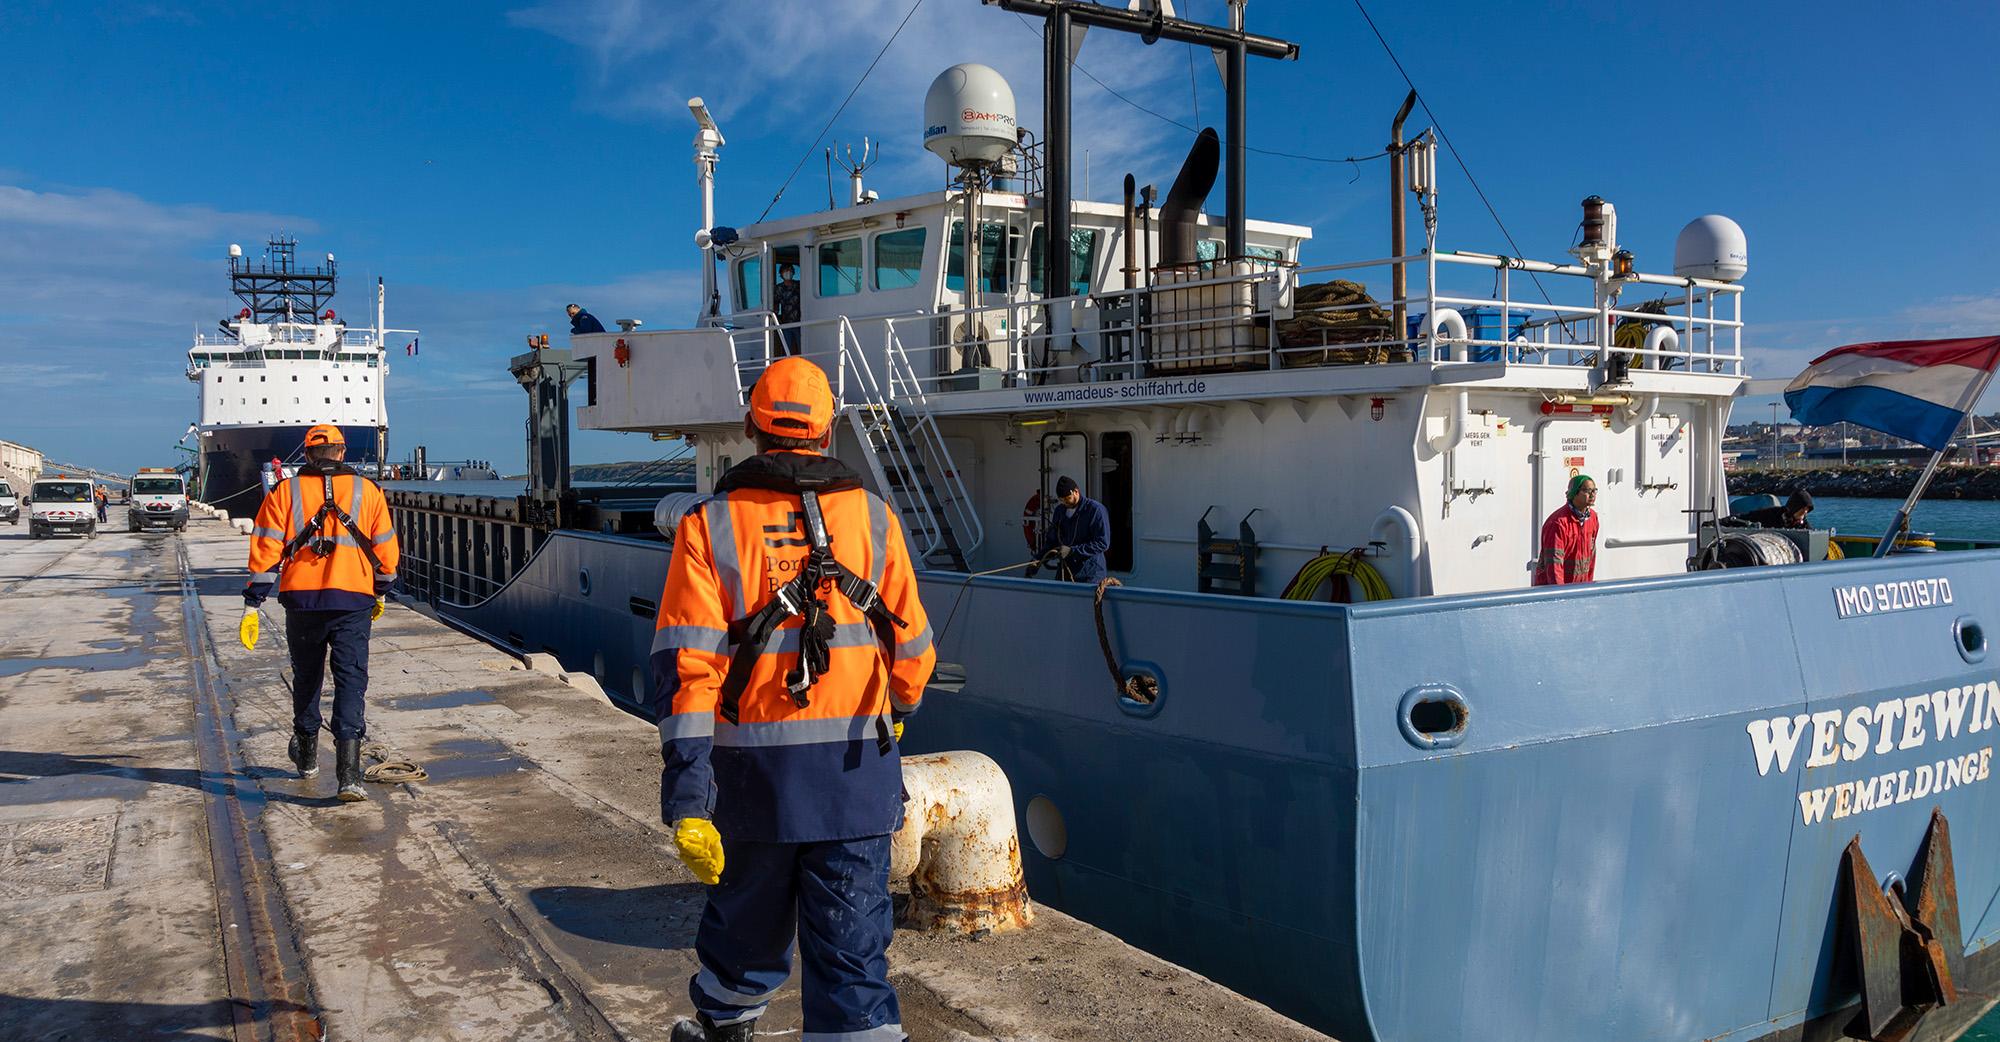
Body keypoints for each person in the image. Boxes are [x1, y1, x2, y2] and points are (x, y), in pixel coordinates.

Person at [652, 356, 934, 1042]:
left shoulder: (707, 526)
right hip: (853, 781)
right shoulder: (875, 519)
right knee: (853, 955)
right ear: (828, 427)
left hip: (751, 785)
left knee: (742, 934)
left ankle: (726, 1029)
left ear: (752, 427)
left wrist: (690, 798)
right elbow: (915, 655)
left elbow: (688, 672)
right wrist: (890, 711)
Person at [239, 424, 400, 802]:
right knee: (350, 680)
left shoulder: (285, 491)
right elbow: (386, 552)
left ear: (308, 455)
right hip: (353, 601)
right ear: (342, 454)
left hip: (302, 601)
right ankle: (349, 776)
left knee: (307, 677)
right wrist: (380, 590)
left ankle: (307, 757)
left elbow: (265, 548)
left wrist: (253, 602)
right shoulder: (368, 490)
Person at [1033, 475, 1111, 582]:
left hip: (1090, 573)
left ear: (1076, 492)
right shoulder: (1060, 511)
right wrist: (1038, 559)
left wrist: (1072, 551)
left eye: (1067, 499)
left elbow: (1102, 543)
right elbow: (1052, 540)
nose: (1065, 503)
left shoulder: (1095, 510)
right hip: (1066, 570)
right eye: (1062, 500)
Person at [1534, 473, 1599, 586]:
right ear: (1574, 493)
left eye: (1594, 490)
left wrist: (1588, 587)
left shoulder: (1592, 518)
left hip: (1579, 588)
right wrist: (1560, 594)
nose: (1593, 495)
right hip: (1554, 591)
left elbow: (1591, 557)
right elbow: (1554, 565)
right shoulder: (1558, 523)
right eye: (1588, 491)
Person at [1736, 489, 1815, 529]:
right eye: (1802, 509)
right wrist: (1727, 521)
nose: (1805, 512)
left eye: (1807, 509)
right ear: (1794, 507)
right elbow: (1749, 517)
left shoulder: (1804, 526)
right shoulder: (1772, 514)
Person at [773, 263, 801, 356]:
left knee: (802, 347)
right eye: (785, 271)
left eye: (790, 270)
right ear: (781, 274)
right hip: (786, 322)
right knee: (787, 349)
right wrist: (775, 318)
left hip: (800, 322)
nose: (788, 273)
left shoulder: (799, 285)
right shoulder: (778, 288)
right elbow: (775, 303)